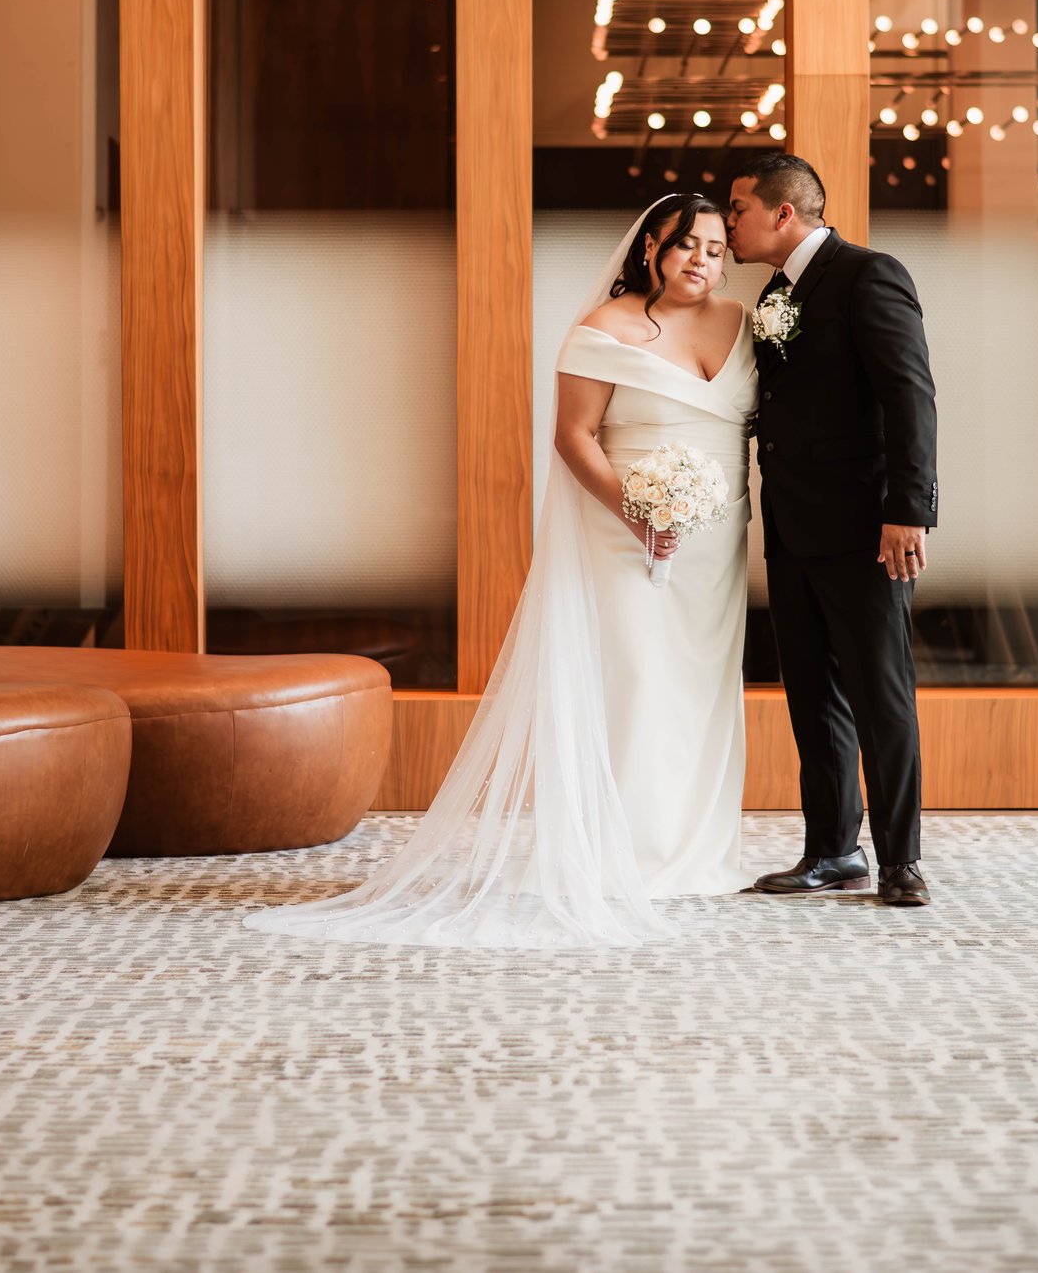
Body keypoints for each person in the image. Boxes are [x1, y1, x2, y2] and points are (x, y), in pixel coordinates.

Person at [247, 194, 755, 947]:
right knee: (639, 680)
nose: (701, 262)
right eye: (686, 245)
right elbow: (574, 437)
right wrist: (637, 511)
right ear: (652, 244)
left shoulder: (742, 322)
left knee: (703, 687)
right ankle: (626, 850)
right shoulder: (604, 328)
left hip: (716, 541)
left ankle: (698, 848)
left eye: (715, 250)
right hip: (627, 532)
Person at [724, 155, 939, 907]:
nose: (729, 222)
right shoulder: (773, 294)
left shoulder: (867, 275)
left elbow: (910, 394)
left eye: (738, 208)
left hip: (865, 527)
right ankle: (832, 850)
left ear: (783, 213)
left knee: (882, 694)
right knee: (812, 693)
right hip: (791, 526)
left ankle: (901, 860)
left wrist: (907, 510)